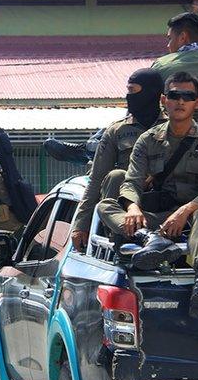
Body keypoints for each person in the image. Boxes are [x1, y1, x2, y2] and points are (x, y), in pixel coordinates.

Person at [97, 71, 198, 319]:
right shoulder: (148, 140)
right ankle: (149, 240)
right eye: (174, 95)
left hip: (194, 216)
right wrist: (133, 207)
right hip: (158, 217)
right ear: (163, 100)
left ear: (197, 103)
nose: (180, 101)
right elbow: (132, 180)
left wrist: (185, 211)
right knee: (105, 206)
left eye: (188, 96)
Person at [69, 68, 165, 251]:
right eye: (128, 90)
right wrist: (81, 225)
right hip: (123, 207)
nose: (129, 96)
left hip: (162, 204)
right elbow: (96, 179)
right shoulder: (116, 131)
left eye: (133, 90)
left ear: (152, 93)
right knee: (116, 175)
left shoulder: (174, 127)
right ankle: (126, 237)